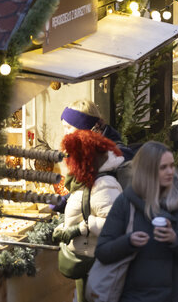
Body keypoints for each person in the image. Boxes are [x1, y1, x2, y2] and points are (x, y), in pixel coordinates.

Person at [94, 142, 178, 302]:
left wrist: (175, 239)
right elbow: (103, 252)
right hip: (135, 296)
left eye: (171, 166)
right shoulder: (125, 202)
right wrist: (128, 241)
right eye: (163, 167)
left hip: (176, 296)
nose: (170, 172)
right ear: (147, 171)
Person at [53, 129, 125, 302]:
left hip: (97, 264)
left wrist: (79, 230)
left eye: (71, 156)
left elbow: (113, 225)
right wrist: (64, 228)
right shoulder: (87, 181)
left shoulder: (104, 185)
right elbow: (84, 212)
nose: (67, 161)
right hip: (88, 263)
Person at [61, 100, 131, 158]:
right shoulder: (80, 148)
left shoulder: (114, 151)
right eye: (64, 127)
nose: (65, 133)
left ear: (84, 129)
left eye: (68, 127)